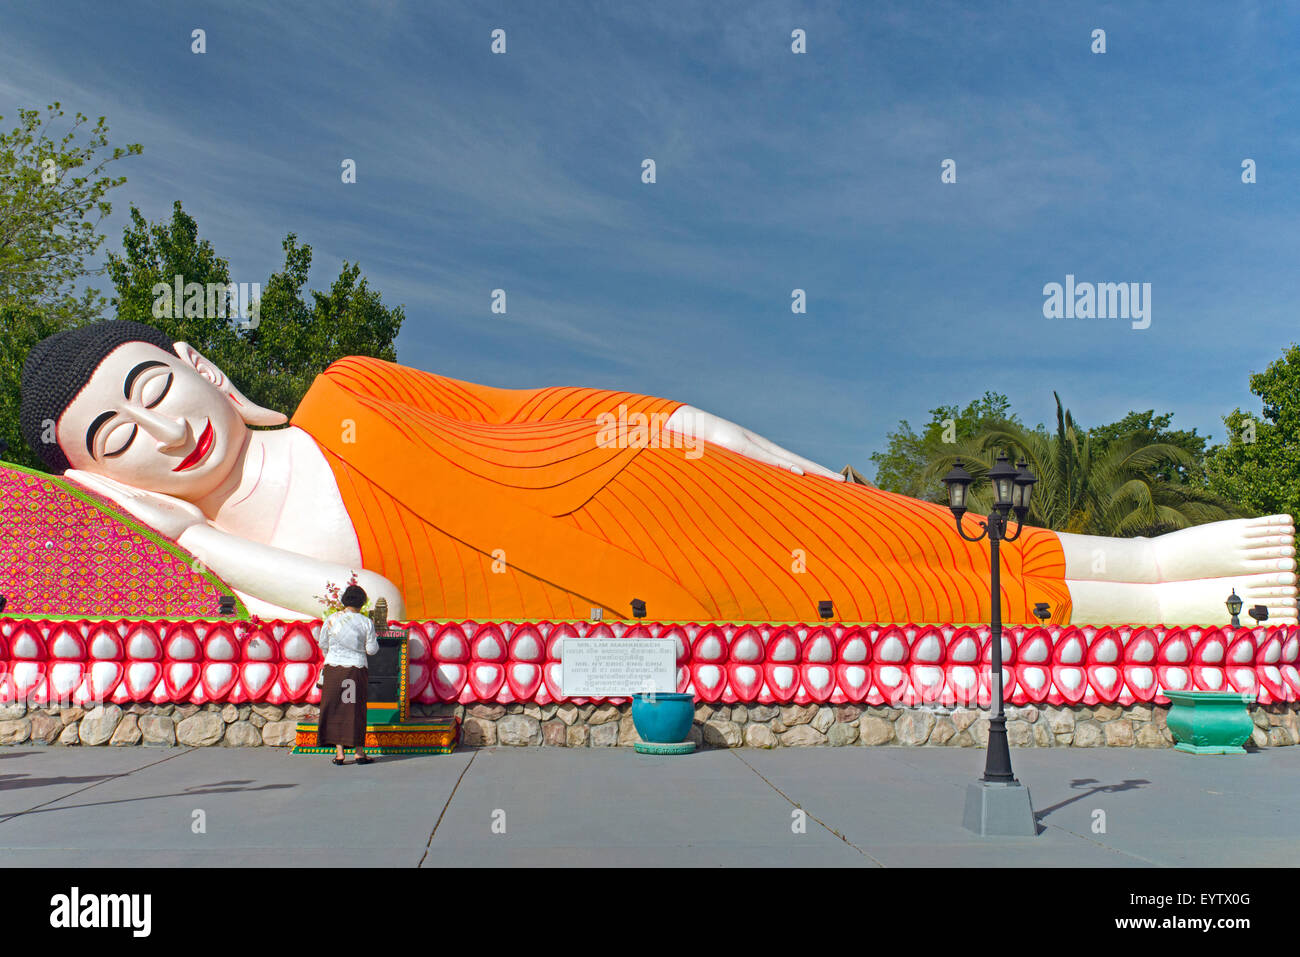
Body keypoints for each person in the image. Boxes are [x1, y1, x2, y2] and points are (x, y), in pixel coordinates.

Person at [16, 320, 1298, 626]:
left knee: (864, 521)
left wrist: (691, 425)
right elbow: (374, 615)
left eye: (149, 384)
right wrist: (177, 538)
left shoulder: (346, 390)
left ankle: (1134, 554)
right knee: (859, 597)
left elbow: (518, 410)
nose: (158, 425)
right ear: (94, 478)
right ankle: (1163, 596)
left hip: (612, 480)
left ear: (196, 362)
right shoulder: (247, 582)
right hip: (611, 595)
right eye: (112, 437)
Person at [316, 584, 379, 765]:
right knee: (355, 709)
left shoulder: (330, 620)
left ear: (344, 600)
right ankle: (359, 752)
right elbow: (372, 650)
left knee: (335, 708)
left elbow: (323, 644)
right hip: (355, 670)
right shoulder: (366, 622)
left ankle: (340, 754)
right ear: (362, 603)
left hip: (333, 669)